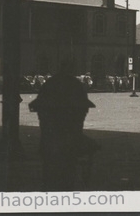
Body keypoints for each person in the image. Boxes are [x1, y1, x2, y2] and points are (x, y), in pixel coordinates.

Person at [29, 59, 98, 191]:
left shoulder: (50, 84)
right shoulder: (75, 85)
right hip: (70, 142)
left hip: (49, 141)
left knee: (50, 173)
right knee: (68, 173)